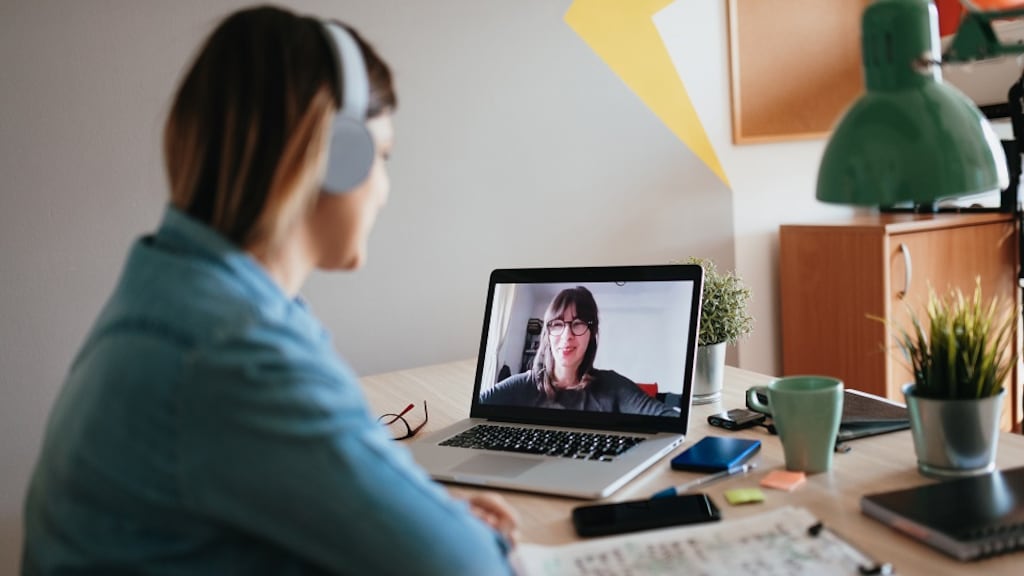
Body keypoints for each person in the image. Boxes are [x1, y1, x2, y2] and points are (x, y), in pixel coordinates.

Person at [22, 6, 517, 575]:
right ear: (336, 156)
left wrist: (427, 518)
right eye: (381, 157)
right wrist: (476, 538)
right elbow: (464, 569)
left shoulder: (176, 288)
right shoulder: (236, 349)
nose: (383, 190)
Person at [480, 286, 676, 416]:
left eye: (578, 324)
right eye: (557, 324)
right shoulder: (522, 385)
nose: (567, 335)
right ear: (548, 333)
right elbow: (474, 412)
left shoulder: (613, 386)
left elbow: (668, 418)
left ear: (592, 333)